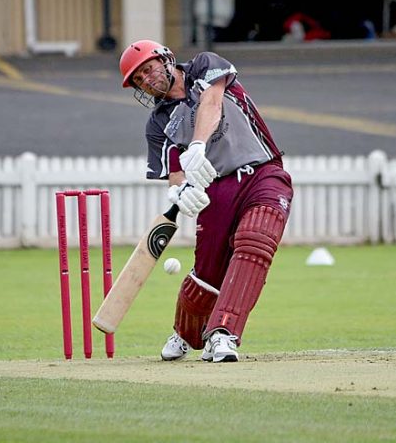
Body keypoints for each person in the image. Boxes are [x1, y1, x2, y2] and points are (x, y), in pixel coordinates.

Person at [119, 40, 293, 362]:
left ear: (166, 59)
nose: (146, 80)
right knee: (207, 273)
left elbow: (212, 102)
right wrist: (181, 191)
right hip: (217, 188)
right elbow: (175, 173)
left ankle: (223, 333)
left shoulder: (204, 65)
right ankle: (185, 333)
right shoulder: (158, 123)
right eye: (139, 80)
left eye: (148, 69)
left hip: (263, 171)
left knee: (255, 241)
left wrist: (197, 144)